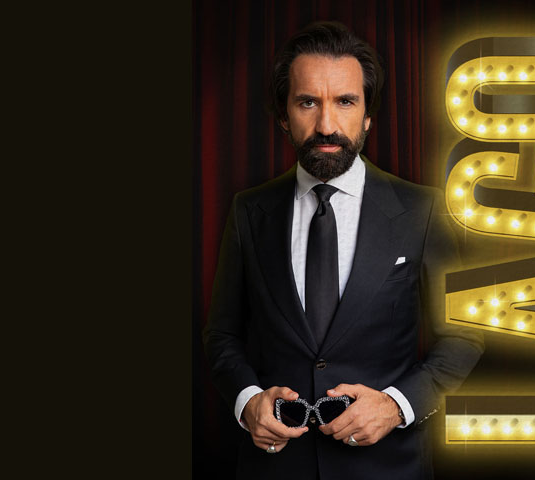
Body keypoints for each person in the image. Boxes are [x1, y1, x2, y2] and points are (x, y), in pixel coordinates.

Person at [202, 21, 485, 479]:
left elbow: (464, 336)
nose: (327, 125)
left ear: (368, 116)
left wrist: (397, 406)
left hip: (388, 466)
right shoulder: (249, 211)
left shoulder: (423, 210)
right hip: (274, 467)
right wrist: (247, 401)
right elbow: (222, 335)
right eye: (307, 102)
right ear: (283, 115)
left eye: (345, 102)